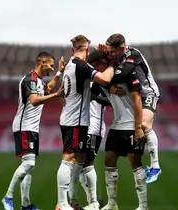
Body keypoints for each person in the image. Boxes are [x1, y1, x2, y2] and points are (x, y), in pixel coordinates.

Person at [56, 35, 115, 210]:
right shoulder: (82, 67)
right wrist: (111, 62)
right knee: (72, 160)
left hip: (75, 119)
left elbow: (60, 92)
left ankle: (80, 201)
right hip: (78, 121)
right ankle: (64, 203)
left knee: (81, 162)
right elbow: (104, 79)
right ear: (87, 50)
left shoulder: (69, 67)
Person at [2, 52, 65, 210]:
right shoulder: (30, 79)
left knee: (29, 165)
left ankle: (26, 204)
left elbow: (48, 88)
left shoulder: (39, 81)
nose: (52, 67)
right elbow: (35, 100)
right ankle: (8, 197)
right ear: (42, 62)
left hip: (32, 127)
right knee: (29, 163)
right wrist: (57, 95)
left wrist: (59, 72)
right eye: (51, 64)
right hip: (24, 126)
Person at [104, 33, 162, 183]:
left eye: (113, 51)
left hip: (149, 93)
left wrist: (107, 83)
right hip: (136, 95)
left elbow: (122, 74)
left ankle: (155, 166)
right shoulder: (119, 56)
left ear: (122, 48)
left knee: (143, 124)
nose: (111, 54)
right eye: (109, 51)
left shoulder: (133, 54)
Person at [94, 48, 147, 210]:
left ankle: (143, 206)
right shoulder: (103, 80)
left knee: (135, 163)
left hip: (132, 125)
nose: (96, 70)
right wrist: (109, 89)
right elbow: (92, 91)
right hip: (117, 126)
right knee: (109, 160)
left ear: (105, 63)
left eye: (98, 65)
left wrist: (138, 127)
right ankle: (112, 203)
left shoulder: (126, 73)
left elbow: (138, 100)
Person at [69, 50, 111, 210]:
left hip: (93, 127)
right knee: (80, 165)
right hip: (84, 125)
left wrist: (96, 97)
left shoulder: (100, 81)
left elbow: (109, 101)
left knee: (85, 164)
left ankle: (89, 201)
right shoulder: (90, 78)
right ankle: (88, 201)